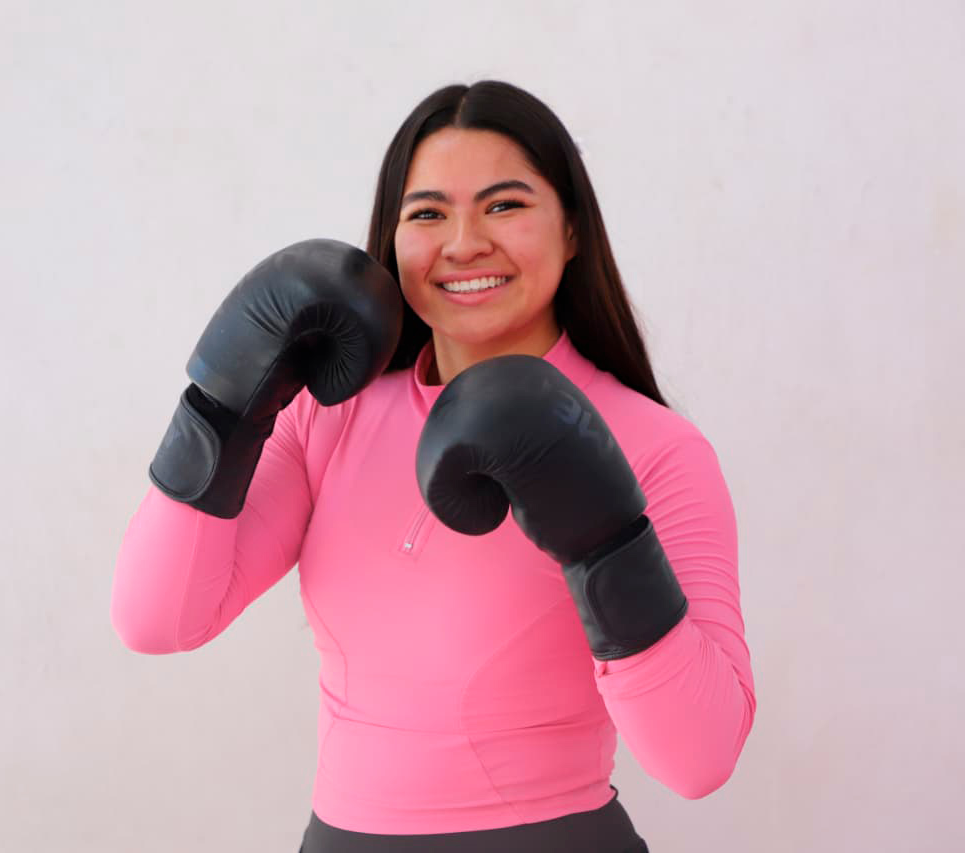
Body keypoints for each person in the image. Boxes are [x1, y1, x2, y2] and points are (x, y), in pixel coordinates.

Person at [111, 80, 756, 853]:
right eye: (427, 213)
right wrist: (220, 403)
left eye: (505, 205)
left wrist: (604, 542)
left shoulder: (654, 446)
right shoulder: (329, 415)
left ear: (574, 229)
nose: (463, 243)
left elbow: (699, 759)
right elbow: (157, 618)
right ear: (392, 237)